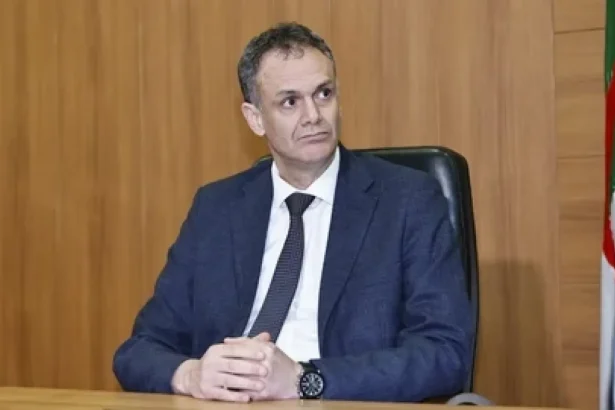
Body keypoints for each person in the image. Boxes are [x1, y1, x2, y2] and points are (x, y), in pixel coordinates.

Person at [113, 21, 473, 403]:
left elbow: (444, 353)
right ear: (255, 118)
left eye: (323, 93)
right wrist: (191, 375)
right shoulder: (216, 209)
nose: (313, 115)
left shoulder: (408, 201)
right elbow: (139, 350)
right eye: (290, 102)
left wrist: (306, 380)